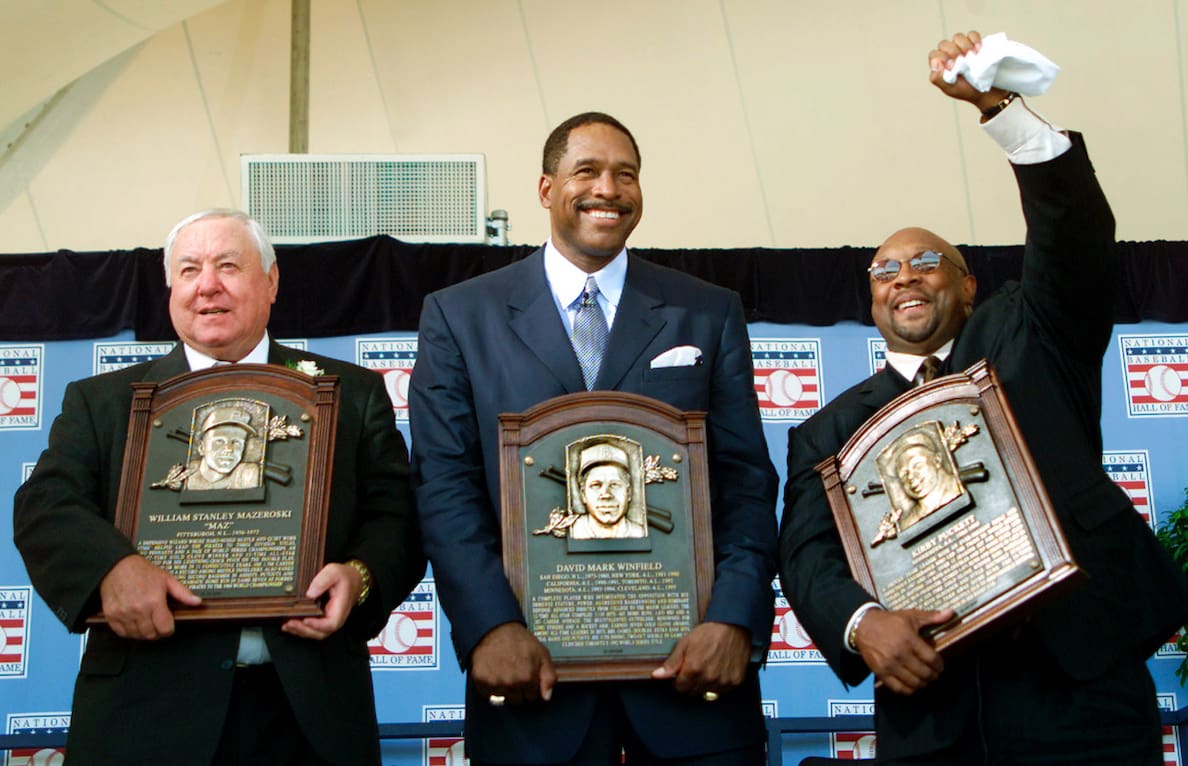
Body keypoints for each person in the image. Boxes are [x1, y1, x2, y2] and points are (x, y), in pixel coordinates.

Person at [779, 32, 1188, 765]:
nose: (905, 276)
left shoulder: (1028, 336)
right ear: (870, 300)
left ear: (969, 286)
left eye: (927, 261)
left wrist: (999, 108)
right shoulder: (829, 430)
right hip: (931, 711)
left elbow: (1075, 238)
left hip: (1081, 692)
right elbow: (808, 555)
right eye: (885, 271)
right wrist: (860, 623)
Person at [410, 112, 779, 763]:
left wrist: (734, 620)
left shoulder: (708, 311)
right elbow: (444, 486)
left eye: (626, 174)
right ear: (547, 188)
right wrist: (489, 627)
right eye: (588, 171)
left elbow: (747, 482)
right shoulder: (459, 315)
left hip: (693, 682)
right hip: (532, 686)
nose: (608, 189)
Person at [13, 209, 425, 765]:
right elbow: (43, 506)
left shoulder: (350, 392)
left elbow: (395, 515)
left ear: (271, 281)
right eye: (188, 270)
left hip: (308, 713)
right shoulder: (102, 401)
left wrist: (360, 575)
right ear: (170, 289)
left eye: (228, 265)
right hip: (145, 715)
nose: (207, 284)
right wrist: (111, 568)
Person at [571, 442, 644, 540]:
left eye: (615, 485)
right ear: (583, 494)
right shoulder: (575, 530)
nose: (606, 494)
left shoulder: (638, 533)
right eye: (596, 485)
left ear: (629, 492)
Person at [187, 405, 263, 491]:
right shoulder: (188, 476)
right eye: (219, 441)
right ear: (201, 448)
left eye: (236, 442)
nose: (229, 449)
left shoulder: (246, 476)